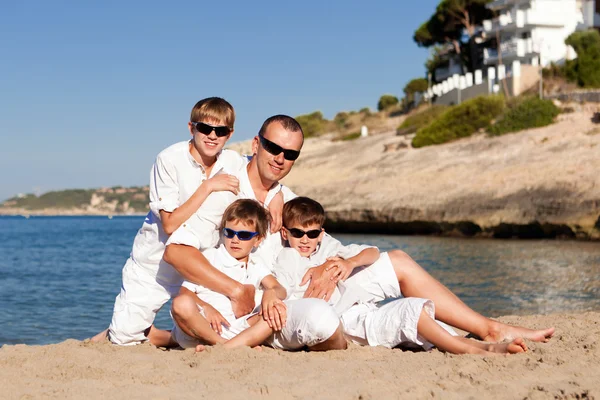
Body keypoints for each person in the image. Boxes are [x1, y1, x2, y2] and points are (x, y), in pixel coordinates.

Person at [163, 115, 345, 351]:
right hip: (219, 311)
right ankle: (213, 344)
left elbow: (328, 245)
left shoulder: (288, 201)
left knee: (390, 267)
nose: (280, 159)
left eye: (290, 154)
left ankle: (188, 341)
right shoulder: (226, 190)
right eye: (272, 148)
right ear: (256, 145)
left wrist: (330, 265)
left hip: (264, 314)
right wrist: (236, 291)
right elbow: (175, 252)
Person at [94, 97, 260, 346]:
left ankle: (174, 336)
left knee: (221, 329)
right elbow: (169, 224)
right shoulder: (169, 159)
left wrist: (277, 196)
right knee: (123, 338)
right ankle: (152, 335)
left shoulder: (233, 163)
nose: (212, 136)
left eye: (221, 131)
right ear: (191, 127)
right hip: (155, 264)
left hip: (200, 269)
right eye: (205, 128)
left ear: (230, 134)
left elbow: (259, 180)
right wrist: (208, 187)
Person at [274, 197, 529, 355]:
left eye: (311, 233)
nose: (305, 239)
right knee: (412, 315)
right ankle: (476, 349)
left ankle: (482, 338)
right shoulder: (288, 257)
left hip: (359, 306)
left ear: (321, 233)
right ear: (285, 233)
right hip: (345, 321)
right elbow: (281, 289)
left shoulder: (328, 247)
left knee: (413, 306)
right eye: (297, 233)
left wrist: (349, 262)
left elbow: (372, 251)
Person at [170, 198, 346, 351]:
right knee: (181, 304)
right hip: (201, 326)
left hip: (237, 328)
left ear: (258, 239)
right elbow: (185, 293)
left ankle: (229, 346)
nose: (235, 240)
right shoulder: (210, 257)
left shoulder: (255, 265)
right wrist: (206, 308)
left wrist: (271, 293)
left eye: (244, 235)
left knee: (276, 312)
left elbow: (278, 288)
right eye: (230, 233)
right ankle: (223, 345)